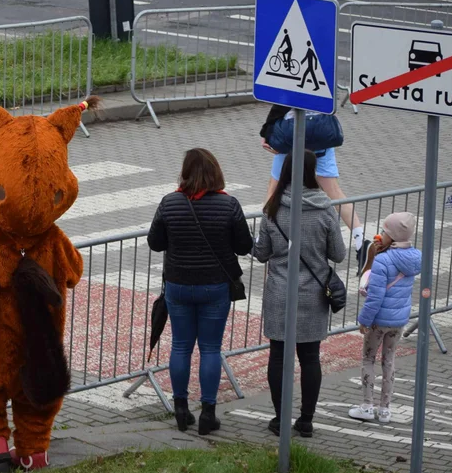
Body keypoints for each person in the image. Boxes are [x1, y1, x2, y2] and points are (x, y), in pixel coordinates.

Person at [147, 148, 253, 436]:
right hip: (214, 287)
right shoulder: (228, 205)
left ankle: (181, 409)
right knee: (210, 348)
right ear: (215, 173)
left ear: (184, 173)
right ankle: (208, 413)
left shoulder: (170, 203)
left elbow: (155, 243)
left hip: (178, 285)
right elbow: (244, 246)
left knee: (181, 345)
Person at [253, 151, 346, 439]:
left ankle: (280, 419)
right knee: (310, 357)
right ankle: (306, 421)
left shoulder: (273, 209)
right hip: (313, 295)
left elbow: (261, 254)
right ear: (312, 171)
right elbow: (339, 254)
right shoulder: (325, 208)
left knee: (278, 356)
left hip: (280, 292)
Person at [260, 105, 364, 267]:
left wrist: (266, 132)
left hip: (291, 135)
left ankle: (263, 238)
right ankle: (361, 241)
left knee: (273, 189)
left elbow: (280, 105)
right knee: (334, 192)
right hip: (320, 136)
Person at [349, 212, 421, 425]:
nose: (381, 234)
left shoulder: (383, 260)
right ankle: (385, 410)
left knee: (368, 359)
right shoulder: (415, 257)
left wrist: (364, 320)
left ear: (393, 236)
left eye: (385, 231)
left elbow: (375, 296)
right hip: (399, 321)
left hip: (378, 321)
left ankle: (367, 406)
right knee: (389, 361)